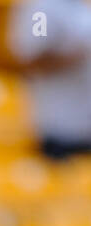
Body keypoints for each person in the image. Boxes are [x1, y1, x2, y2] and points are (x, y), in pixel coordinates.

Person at [9, 0, 91, 160]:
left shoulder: (78, 5)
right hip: (61, 129)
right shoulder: (41, 9)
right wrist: (75, 58)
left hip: (85, 124)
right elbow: (31, 60)